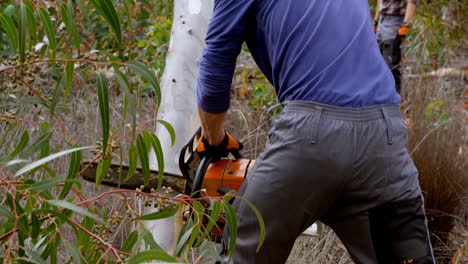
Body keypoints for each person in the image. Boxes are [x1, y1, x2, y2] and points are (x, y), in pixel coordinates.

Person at [195, 0, 436, 263]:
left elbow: (217, 61)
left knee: (243, 251)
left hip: (310, 137)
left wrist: (213, 138)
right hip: (384, 136)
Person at [374, 0, 417, 94]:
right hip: (382, 19)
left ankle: (394, 101)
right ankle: (380, 101)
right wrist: (375, 21)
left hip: (395, 20)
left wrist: (405, 26)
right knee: (377, 66)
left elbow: (412, 2)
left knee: (391, 66)